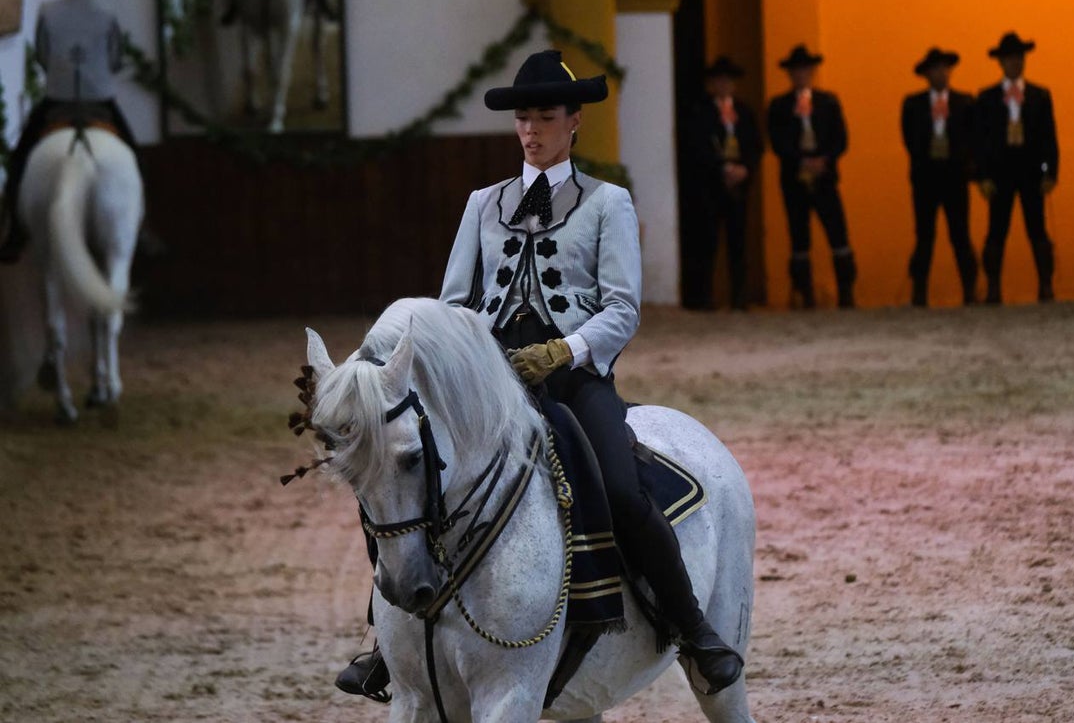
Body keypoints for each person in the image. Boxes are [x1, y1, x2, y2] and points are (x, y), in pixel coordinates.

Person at [335, 49, 744, 701]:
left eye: (545, 117)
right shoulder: (483, 203)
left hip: (574, 380)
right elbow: (453, 302)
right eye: (523, 118)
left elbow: (622, 306)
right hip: (489, 386)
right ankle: (390, 642)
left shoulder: (607, 203)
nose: (531, 129)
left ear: (574, 120)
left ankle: (692, 627)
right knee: (410, 478)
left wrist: (565, 352)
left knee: (619, 483)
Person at [0, 0, 137, 263]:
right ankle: (142, 228)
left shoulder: (48, 12)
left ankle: (14, 234)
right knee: (132, 152)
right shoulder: (107, 14)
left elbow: (43, 57)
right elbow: (115, 60)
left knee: (21, 158)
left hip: (57, 100)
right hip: (100, 100)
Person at [766, 44, 856, 308]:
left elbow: (840, 138)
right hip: (795, 179)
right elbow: (778, 141)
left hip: (825, 177)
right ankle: (805, 294)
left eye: (805, 70)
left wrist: (823, 160)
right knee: (798, 235)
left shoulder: (828, 102)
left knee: (837, 232)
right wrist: (801, 160)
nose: (801, 75)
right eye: (797, 71)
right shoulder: (780, 106)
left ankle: (846, 292)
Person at [974, 32, 1059, 303]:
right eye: (1010, 58)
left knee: (1037, 229)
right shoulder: (986, 98)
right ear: (1001, 62)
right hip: (1000, 173)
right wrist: (983, 175)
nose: (1015, 63)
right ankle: (994, 288)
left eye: (1018, 58)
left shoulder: (1040, 95)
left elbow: (1049, 138)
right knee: (997, 230)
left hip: (1031, 171)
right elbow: (981, 142)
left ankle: (1045, 285)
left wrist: (1049, 172)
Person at [681, 56, 764, 311]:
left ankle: (740, 298)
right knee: (707, 242)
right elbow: (696, 146)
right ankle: (704, 297)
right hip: (710, 186)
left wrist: (744, 169)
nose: (724, 85)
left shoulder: (744, 112)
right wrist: (722, 168)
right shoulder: (700, 112)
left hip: (738, 185)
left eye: (728, 80)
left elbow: (755, 145)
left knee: (738, 241)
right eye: (719, 80)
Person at [900, 47, 979, 307]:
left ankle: (970, 289)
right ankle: (919, 290)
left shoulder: (964, 102)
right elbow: (910, 141)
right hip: (926, 178)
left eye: (944, 68)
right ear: (927, 74)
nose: (941, 73)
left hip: (954, 176)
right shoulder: (913, 105)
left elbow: (971, 139)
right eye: (936, 69)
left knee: (960, 234)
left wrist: (963, 163)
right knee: (924, 235)